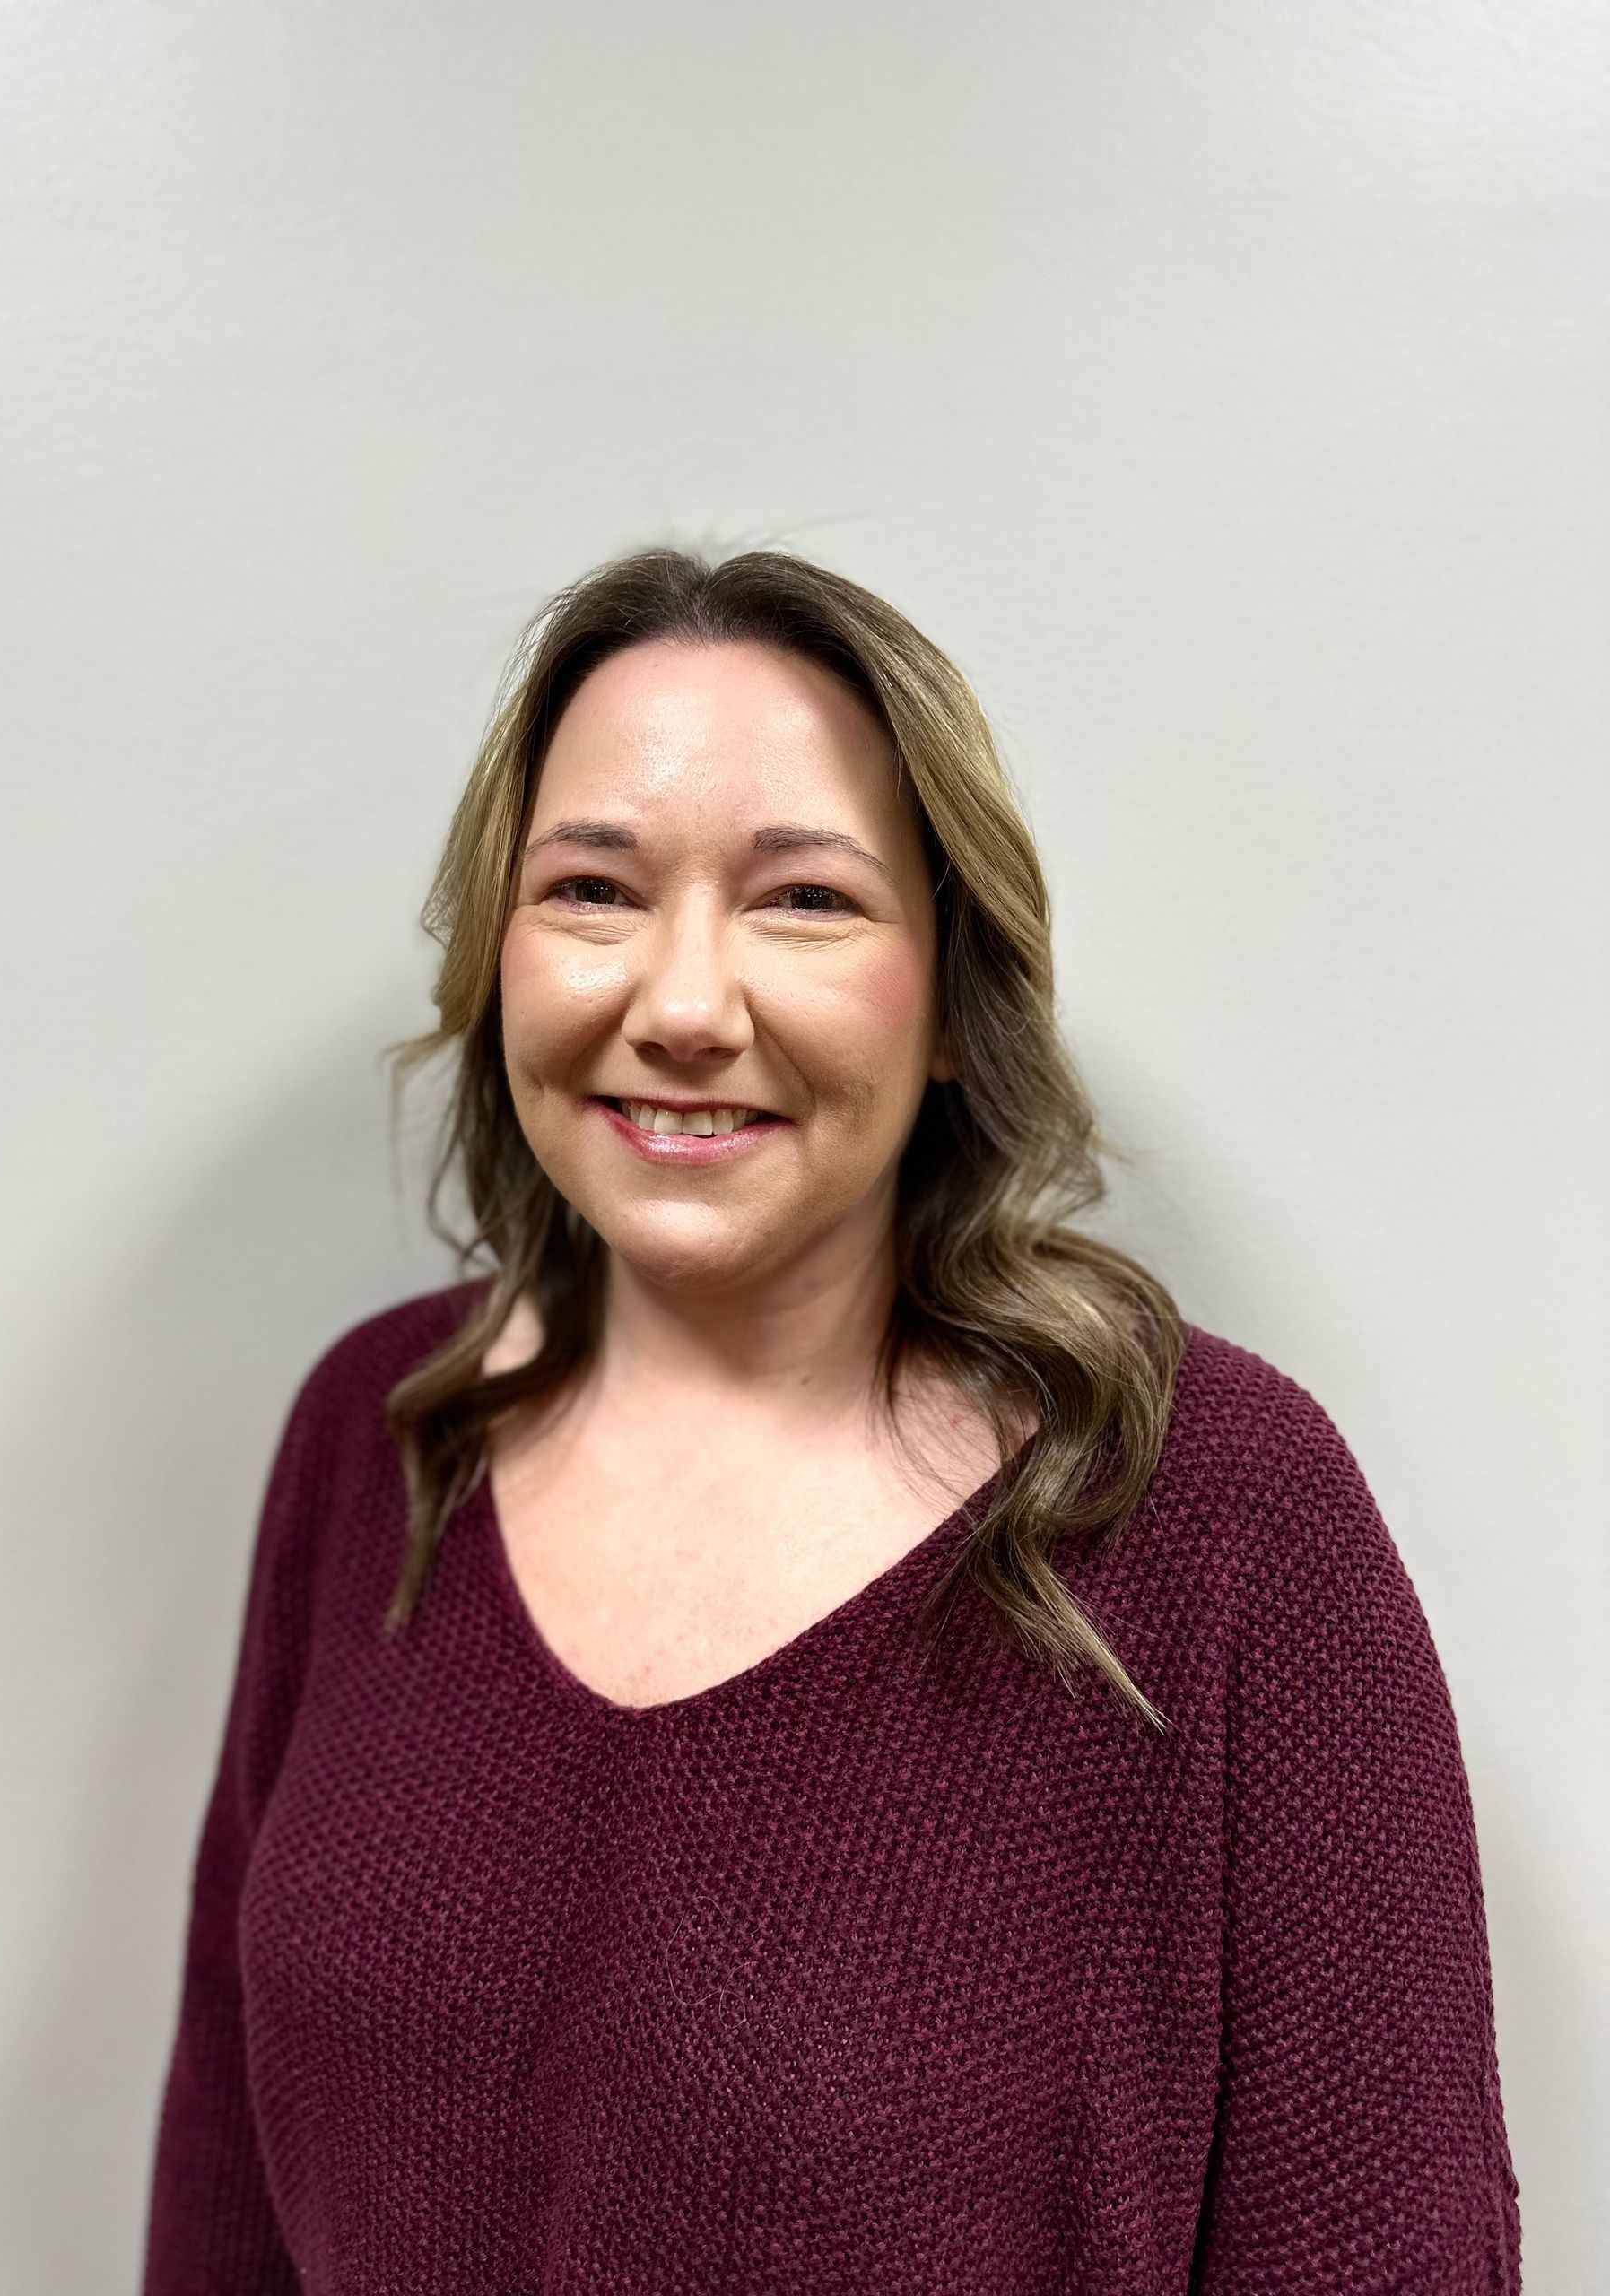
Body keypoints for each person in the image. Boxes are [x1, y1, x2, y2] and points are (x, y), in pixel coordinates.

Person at [141, 546, 1521, 2293]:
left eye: (803, 899)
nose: (685, 1003)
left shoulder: (1220, 1515)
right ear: (501, 959)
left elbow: (1384, 2251)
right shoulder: (378, 1437)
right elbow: (223, 2215)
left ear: (950, 989)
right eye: (591, 889)